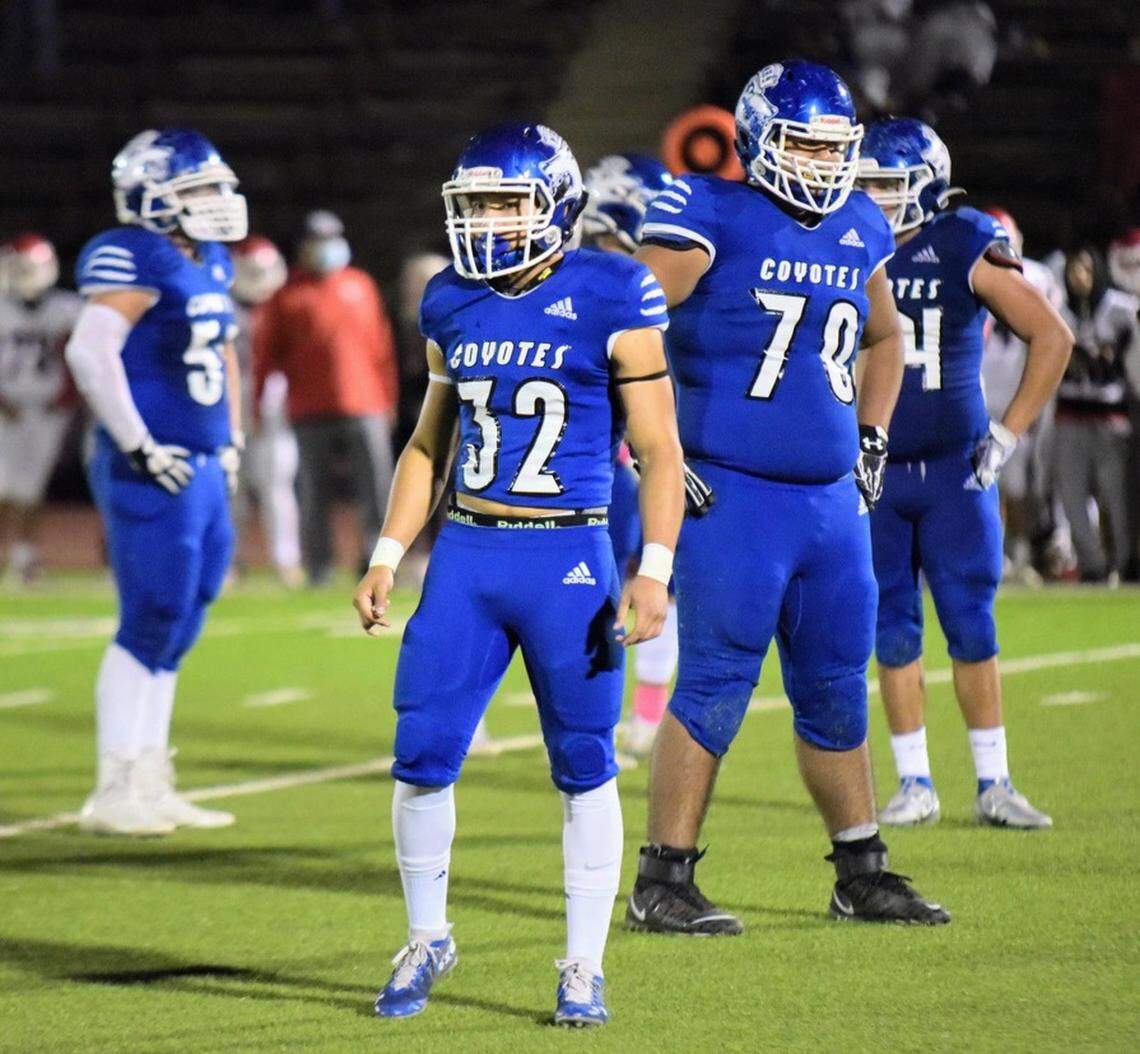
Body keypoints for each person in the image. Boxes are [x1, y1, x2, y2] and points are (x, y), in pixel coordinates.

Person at [353, 122, 684, 1025]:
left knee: (584, 762)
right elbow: (429, 441)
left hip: (567, 555)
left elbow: (658, 450)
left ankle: (582, 963)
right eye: (475, 205)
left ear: (557, 206)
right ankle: (428, 935)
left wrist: (652, 569)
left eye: (506, 202)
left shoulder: (615, 289)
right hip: (466, 552)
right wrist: (388, 553)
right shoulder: (451, 299)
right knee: (422, 748)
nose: (488, 223)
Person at [625, 60, 947, 935]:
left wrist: (874, 436)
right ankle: (662, 880)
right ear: (760, 137)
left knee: (838, 684)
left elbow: (885, 336)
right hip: (732, 494)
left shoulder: (857, 222)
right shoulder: (709, 211)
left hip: (831, 502)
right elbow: (629, 318)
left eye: (835, 145)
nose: (821, 162)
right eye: (804, 142)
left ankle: (861, 870)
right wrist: (650, 444)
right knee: (717, 683)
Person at [855, 119, 1072, 829]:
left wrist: (1008, 434)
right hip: (877, 472)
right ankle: (915, 781)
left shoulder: (961, 240)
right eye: (866, 185)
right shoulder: (845, 243)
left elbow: (1052, 335)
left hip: (954, 471)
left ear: (924, 185)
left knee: (971, 625)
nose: (874, 200)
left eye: (887, 186)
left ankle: (993, 781)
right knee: (892, 630)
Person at [65, 128, 247, 835]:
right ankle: (114, 786)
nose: (217, 201)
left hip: (202, 461)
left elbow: (225, 355)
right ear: (150, 196)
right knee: (151, 615)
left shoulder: (211, 260)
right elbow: (89, 353)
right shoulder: (132, 252)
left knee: (185, 615)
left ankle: (149, 773)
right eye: (198, 190)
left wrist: (232, 438)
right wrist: (138, 444)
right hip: (152, 461)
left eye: (215, 186)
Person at [581, 153, 684, 758]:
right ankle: (637, 716)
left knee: (645, 579)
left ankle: (646, 716)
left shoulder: (647, 286)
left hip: (645, 449)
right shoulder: (608, 278)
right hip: (618, 446)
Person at [253, 210, 398, 585]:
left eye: (331, 237)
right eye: (318, 239)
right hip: (309, 409)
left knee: (378, 491)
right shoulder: (287, 296)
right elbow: (266, 356)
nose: (327, 247)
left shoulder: (360, 284)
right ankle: (320, 567)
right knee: (313, 495)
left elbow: (381, 346)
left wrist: (388, 397)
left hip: (365, 404)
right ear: (303, 247)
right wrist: (255, 405)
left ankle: (378, 563)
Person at [980, 207, 1066, 585]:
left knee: (1019, 483)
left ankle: (1019, 550)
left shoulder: (1039, 276)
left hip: (1020, 390)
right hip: (979, 391)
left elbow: (1054, 336)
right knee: (985, 480)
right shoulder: (970, 269)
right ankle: (994, 555)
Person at [1054, 245, 1139, 583]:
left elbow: (1133, 365)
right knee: (1072, 497)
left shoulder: (1121, 310)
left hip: (1110, 418)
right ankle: (1092, 564)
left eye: (1086, 270)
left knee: (1115, 496)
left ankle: (1124, 559)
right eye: (1074, 270)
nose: (1079, 277)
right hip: (1069, 415)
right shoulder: (1059, 311)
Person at [0, 233, 81, 583]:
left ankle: (24, 557)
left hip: (47, 410)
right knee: (4, 485)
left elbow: (82, 357)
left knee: (30, 487)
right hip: (5, 407)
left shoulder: (68, 308)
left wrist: (66, 398)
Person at [230, 235, 301, 587]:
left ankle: (285, 560)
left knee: (277, 487)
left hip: (275, 410)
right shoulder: (221, 307)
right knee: (232, 488)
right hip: (230, 407)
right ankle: (229, 560)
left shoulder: (286, 307)